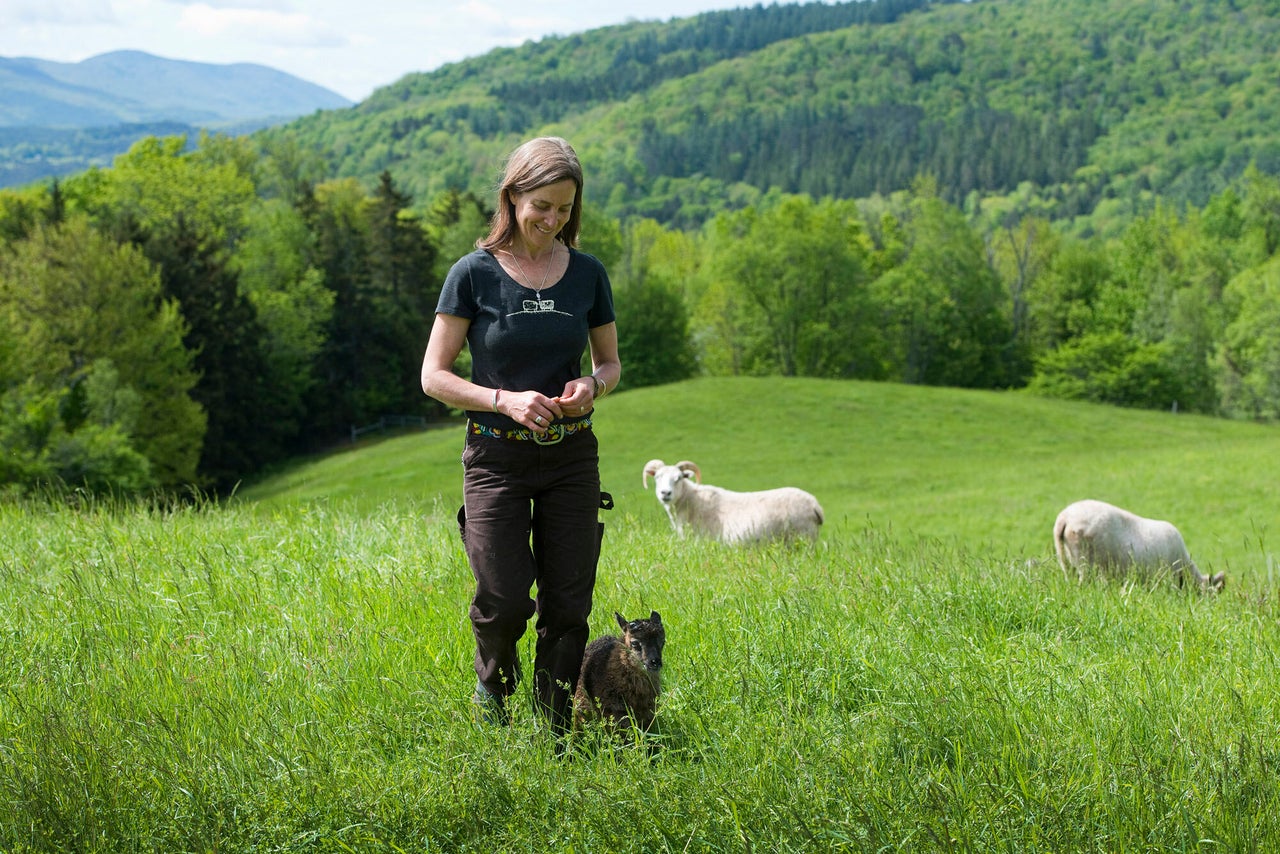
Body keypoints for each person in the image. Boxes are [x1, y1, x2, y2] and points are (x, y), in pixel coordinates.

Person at [420, 137, 621, 738]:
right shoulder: (472, 274)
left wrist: (592, 385)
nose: (552, 219)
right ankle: (494, 690)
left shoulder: (587, 274)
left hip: (570, 456)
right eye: (542, 205)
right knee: (504, 596)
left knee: (569, 602)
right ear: (512, 197)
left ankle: (556, 720)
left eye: (565, 208)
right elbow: (433, 376)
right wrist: (502, 399)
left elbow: (610, 363)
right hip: (495, 456)